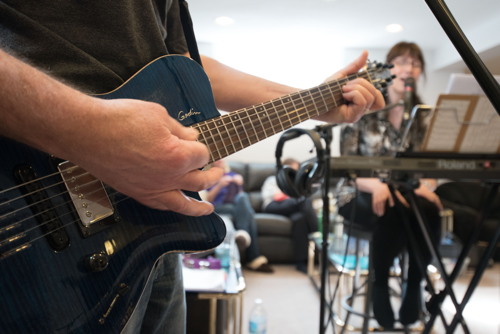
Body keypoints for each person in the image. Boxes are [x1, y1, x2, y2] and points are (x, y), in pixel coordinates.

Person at [0, 1, 384, 332]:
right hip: (31, 203)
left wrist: (313, 101)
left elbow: (186, 69)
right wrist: (89, 130)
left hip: (147, 234)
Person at [338, 41, 443, 328]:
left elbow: (432, 166)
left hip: (408, 196)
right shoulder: (366, 107)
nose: (407, 68)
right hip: (357, 193)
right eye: (400, 61)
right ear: (389, 67)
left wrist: (427, 185)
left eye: (415, 63)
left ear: (420, 71)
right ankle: (380, 282)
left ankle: (415, 284)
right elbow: (347, 165)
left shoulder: (425, 115)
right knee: (394, 208)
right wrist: (376, 185)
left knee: (429, 208)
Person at [205, 159, 274, 273]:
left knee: (243, 197)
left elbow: (241, 197)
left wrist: (239, 184)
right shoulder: (210, 177)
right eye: (216, 160)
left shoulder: (234, 175)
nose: (219, 161)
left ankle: (243, 233)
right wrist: (220, 184)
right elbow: (209, 200)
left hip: (235, 207)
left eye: (221, 160)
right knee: (249, 214)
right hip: (219, 207)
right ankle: (254, 258)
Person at [261, 158, 319, 273]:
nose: (297, 172)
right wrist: (294, 196)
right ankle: (316, 230)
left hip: (291, 208)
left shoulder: (296, 183)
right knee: (304, 201)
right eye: (295, 169)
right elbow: (277, 197)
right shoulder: (274, 179)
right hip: (273, 206)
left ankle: (300, 262)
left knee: (300, 219)